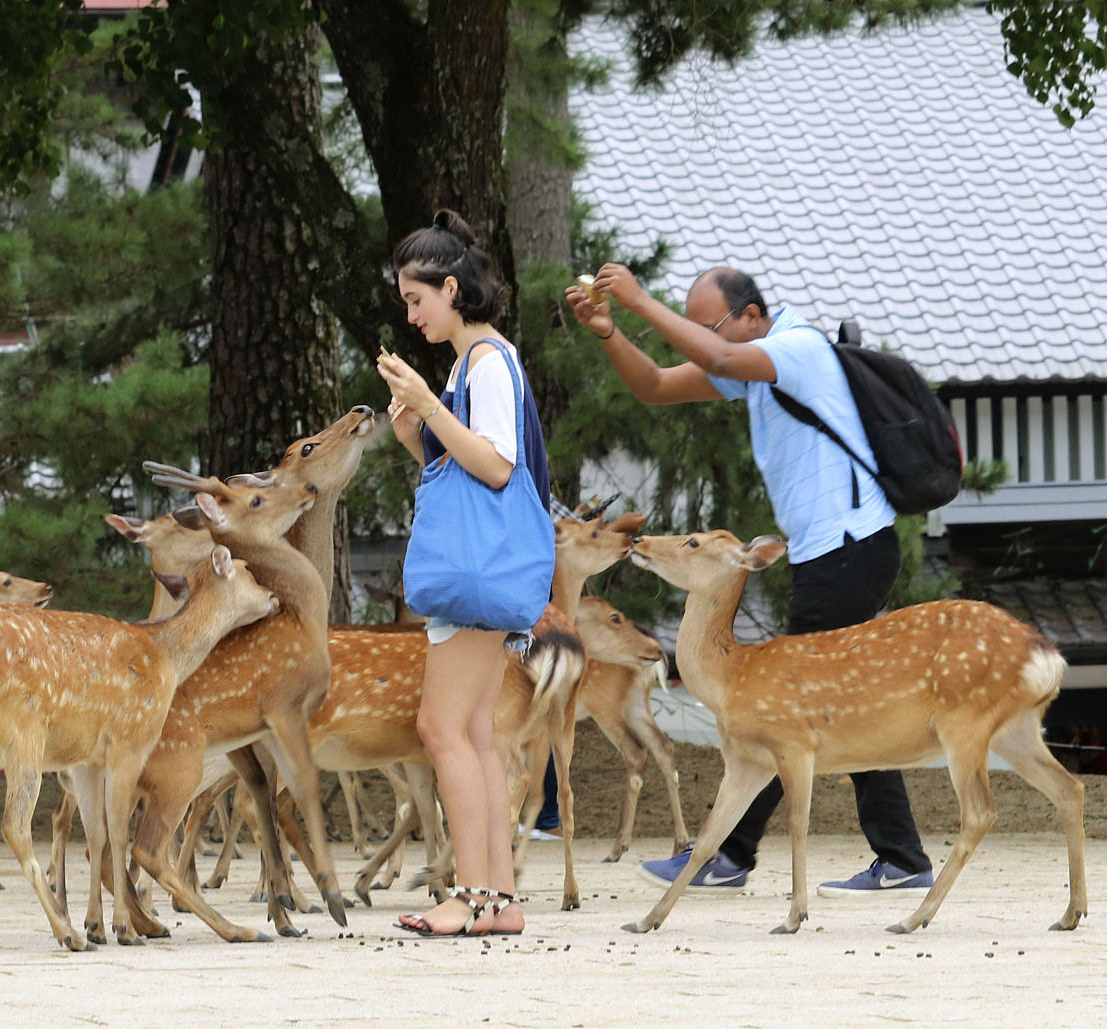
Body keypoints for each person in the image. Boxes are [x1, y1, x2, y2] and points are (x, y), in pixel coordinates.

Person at [566, 264, 934, 895]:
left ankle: (735, 853)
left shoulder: (795, 349)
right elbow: (654, 384)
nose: (703, 337)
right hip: (831, 553)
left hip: (848, 546)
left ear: (752, 316)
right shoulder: (752, 355)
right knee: (808, 704)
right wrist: (609, 331)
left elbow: (715, 355)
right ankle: (888, 856)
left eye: (710, 323)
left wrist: (638, 300)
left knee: (783, 707)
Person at [377, 210, 553, 937]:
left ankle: (473, 893)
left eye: (417, 300)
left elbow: (496, 464)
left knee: (442, 725)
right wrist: (418, 433)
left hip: (475, 577)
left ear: (451, 288)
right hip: (489, 570)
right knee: (474, 730)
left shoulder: (482, 362)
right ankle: (496, 898)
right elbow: (469, 471)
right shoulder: (477, 362)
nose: (412, 314)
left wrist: (424, 405)